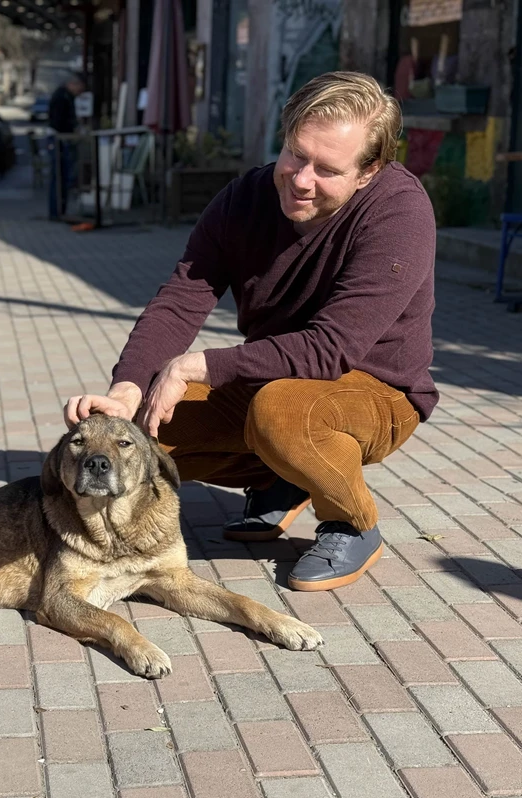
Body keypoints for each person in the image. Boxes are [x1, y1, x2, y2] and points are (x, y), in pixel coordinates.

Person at [63, 71, 438, 592]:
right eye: (295, 154)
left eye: (327, 169)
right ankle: (281, 478)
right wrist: (127, 389)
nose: (301, 180)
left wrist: (197, 365)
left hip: (377, 389)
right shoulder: (244, 199)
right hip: (274, 379)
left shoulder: (399, 212)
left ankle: (352, 522)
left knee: (282, 413)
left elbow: (331, 348)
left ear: (368, 171)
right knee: (140, 436)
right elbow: (180, 300)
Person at [47, 74, 85, 220]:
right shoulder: (62, 97)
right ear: (72, 84)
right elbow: (59, 121)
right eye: (79, 88)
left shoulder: (66, 96)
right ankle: (56, 211)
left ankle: (59, 210)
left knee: (62, 176)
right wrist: (73, 129)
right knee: (59, 176)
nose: (79, 92)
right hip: (59, 139)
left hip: (61, 138)